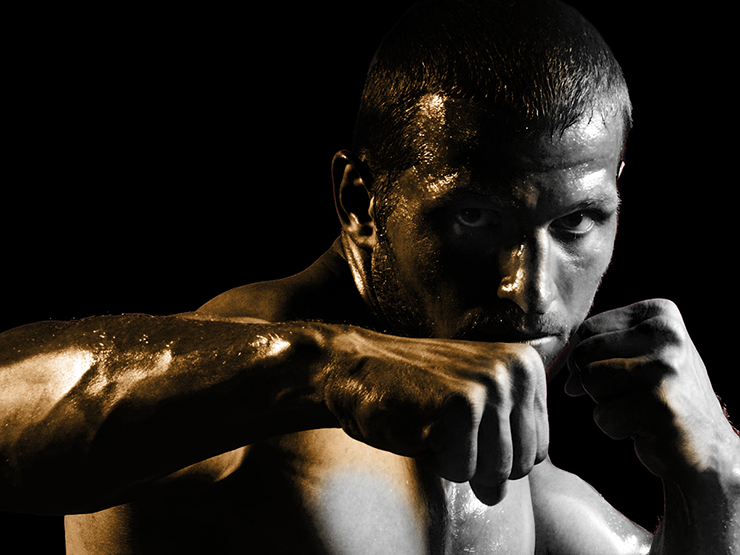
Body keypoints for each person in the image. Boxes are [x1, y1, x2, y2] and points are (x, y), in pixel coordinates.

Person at [1, 0, 738, 553]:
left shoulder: (511, 476)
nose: (532, 291)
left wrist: (715, 479)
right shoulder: (241, 398)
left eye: (576, 223)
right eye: (475, 217)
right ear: (362, 202)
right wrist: (332, 368)